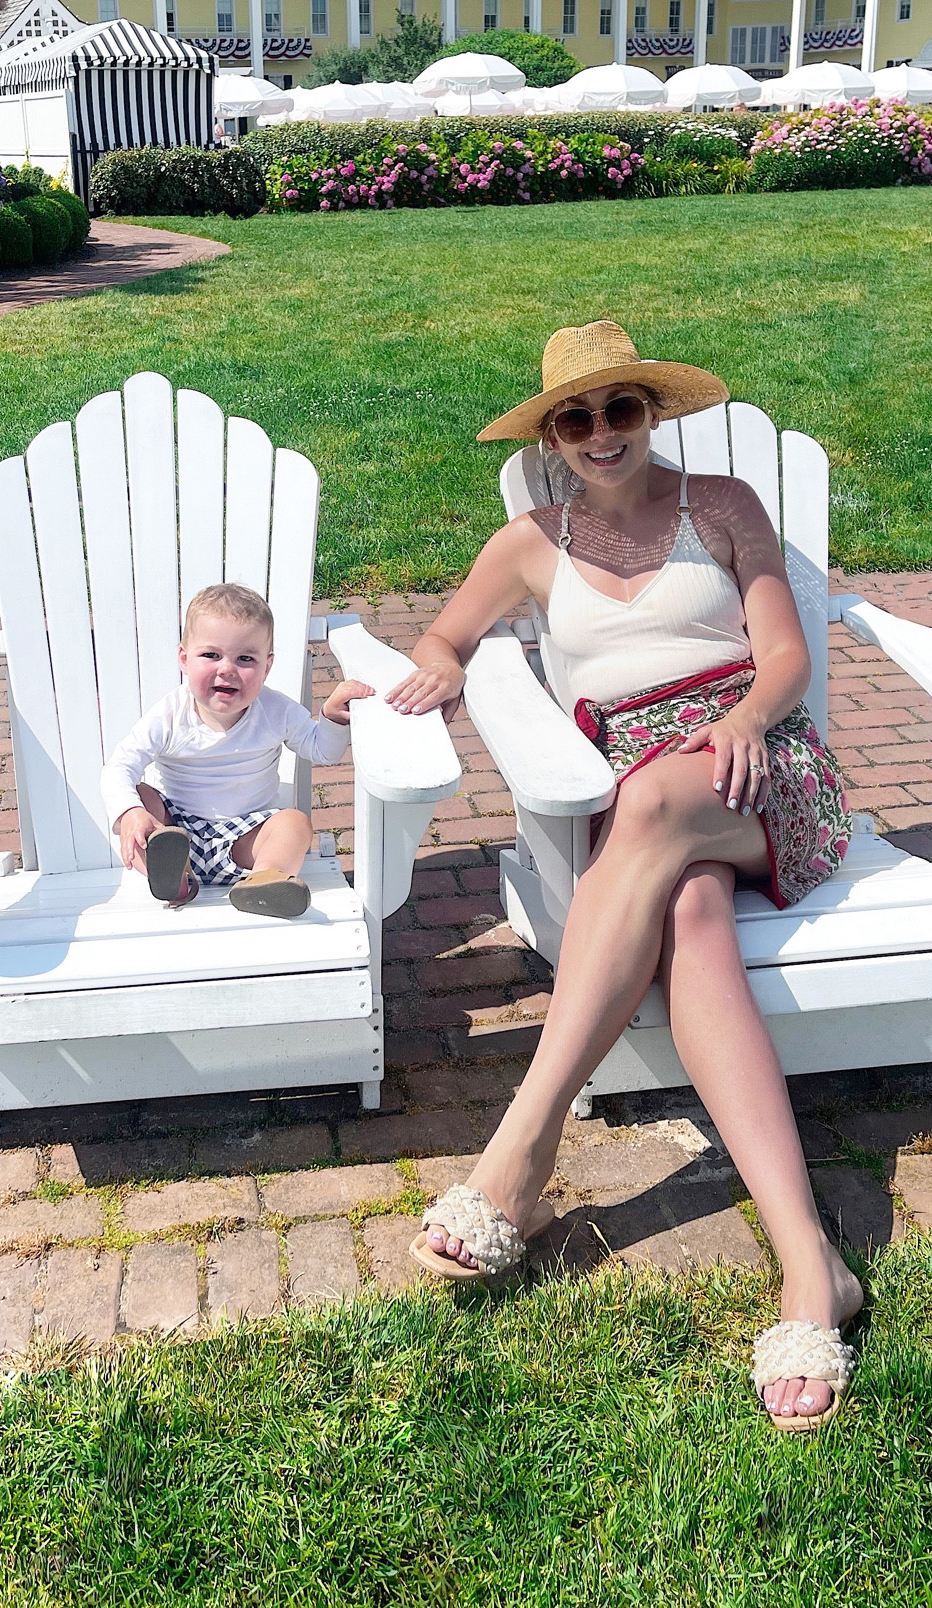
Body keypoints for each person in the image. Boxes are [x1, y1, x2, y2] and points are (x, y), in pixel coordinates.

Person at [385, 321, 860, 1433]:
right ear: (552, 434)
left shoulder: (726, 504)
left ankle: (524, 1144)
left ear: (654, 413)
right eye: (576, 417)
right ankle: (811, 1265)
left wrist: (742, 716)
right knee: (687, 909)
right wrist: (418, 678)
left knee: (646, 805)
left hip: (763, 763)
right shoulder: (528, 541)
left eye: (621, 410)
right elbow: (445, 639)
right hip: (649, 793)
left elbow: (786, 654)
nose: (601, 433)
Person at [104, 582, 372, 920]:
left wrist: (331, 718)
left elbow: (322, 750)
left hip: (247, 838)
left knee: (295, 824)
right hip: (177, 832)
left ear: (267, 666)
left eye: (245, 658)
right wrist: (130, 813)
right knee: (143, 798)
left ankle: (264, 880)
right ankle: (175, 878)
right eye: (211, 655)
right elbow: (119, 768)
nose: (227, 669)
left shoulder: (276, 711)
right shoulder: (170, 714)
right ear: (184, 659)